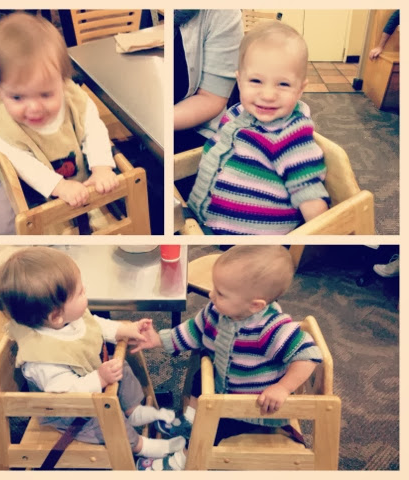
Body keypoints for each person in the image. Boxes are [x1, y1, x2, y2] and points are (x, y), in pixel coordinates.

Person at [134, 245, 323, 470]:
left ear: (255, 305)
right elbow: (195, 330)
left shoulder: (271, 329)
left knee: (210, 429)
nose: (211, 295)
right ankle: (189, 424)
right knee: (198, 380)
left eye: (221, 293)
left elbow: (308, 354)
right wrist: (158, 339)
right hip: (221, 385)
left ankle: (181, 461)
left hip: (251, 406)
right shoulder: (217, 310)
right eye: (215, 288)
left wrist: (283, 388)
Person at [0, 246, 185, 460]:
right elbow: (68, 395)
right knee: (105, 419)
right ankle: (138, 446)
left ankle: (133, 411)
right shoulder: (42, 359)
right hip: (72, 414)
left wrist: (124, 330)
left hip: (92, 384)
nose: (85, 290)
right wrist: (100, 378)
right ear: (56, 316)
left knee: (120, 366)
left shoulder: (67, 318)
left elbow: (94, 325)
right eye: (80, 292)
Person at [187, 20, 330, 235]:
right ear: (240, 81)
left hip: (254, 242)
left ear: (300, 90)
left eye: (283, 84)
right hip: (206, 223)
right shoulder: (235, 114)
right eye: (256, 81)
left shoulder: (291, 135)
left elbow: (309, 194)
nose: (268, 95)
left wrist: (323, 238)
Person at [0, 12, 119, 234]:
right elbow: (24, 165)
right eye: (17, 97)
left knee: (101, 204)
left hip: (75, 172)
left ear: (63, 82)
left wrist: (101, 167)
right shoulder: (2, 123)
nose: (34, 108)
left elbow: (94, 131)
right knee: (7, 224)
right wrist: (58, 186)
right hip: (23, 182)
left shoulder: (75, 100)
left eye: (46, 94)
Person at [174, 10, 243, 153]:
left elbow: (211, 98)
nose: (268, 96)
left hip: (191, 131)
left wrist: (157, 120)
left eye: (283, 84)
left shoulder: (222, 12)